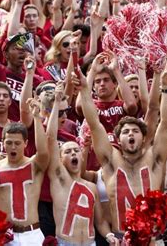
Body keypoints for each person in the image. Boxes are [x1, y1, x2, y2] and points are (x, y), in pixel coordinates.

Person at [79, 64, 167, 239]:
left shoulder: (153, 158)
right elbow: (93, 123)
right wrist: (85, 89)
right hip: (120, 237)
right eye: (125, 132)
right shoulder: (110, 161)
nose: (131, 133)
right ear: (118, 139)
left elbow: (166, 126)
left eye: (135, 131)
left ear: (144, 137)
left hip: (152, 240)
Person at [46, 83, 115, 245]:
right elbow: (50, 138)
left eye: (76, 150)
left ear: (82, 157)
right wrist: (56, 103)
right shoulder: (59, 179)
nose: (73, 153)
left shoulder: (91, 187)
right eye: (68, 152)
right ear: (60, 159)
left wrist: (109, 235)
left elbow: (100, 221)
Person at [0, 100, 49, 245]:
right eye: (9, 142)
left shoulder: (34, 165)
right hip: (6, 234)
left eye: (17, 143)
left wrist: (36, 117)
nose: (13, 147)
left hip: (33, 234)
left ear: (25, 143)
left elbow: (43, 151)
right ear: (3, 142)